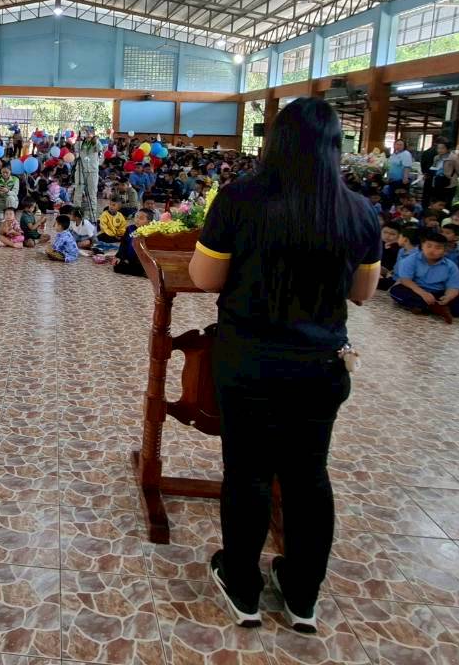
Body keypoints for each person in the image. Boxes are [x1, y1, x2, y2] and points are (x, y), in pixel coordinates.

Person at [187, 97, 379, 633]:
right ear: (335, 148)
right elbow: (364, 291)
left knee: (247, 472)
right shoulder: (358, 211)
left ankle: (243, 587)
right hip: (320, 365)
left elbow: (206, 278)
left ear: (274, 143)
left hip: (250, 360)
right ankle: (302, 595)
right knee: (308, 476)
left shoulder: (240, 199)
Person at [391, 229, 459, 322]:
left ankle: (426, 307)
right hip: (415, 290)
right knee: (396, 291)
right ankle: (434, 308)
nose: (432, 250)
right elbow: (406, 280)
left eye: (438, 248)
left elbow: (453, 287)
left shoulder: (451, 266)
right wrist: (423, 293)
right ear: (422, 246)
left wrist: (448, 297)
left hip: (438, 293)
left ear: (445, 250)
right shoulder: (411, 260)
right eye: (428, 246)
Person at [112, 209, 151, 276]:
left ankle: (143, 271)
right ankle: (142, 272)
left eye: (141, 218)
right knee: (117, 267)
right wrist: (119, 257)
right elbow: (123, 244)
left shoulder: (150, 232)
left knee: (143, 267)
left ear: (149, 222)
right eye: (136, 217)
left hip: (141, 261)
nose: (137, 220)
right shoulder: (130, 228)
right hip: (128, 259)